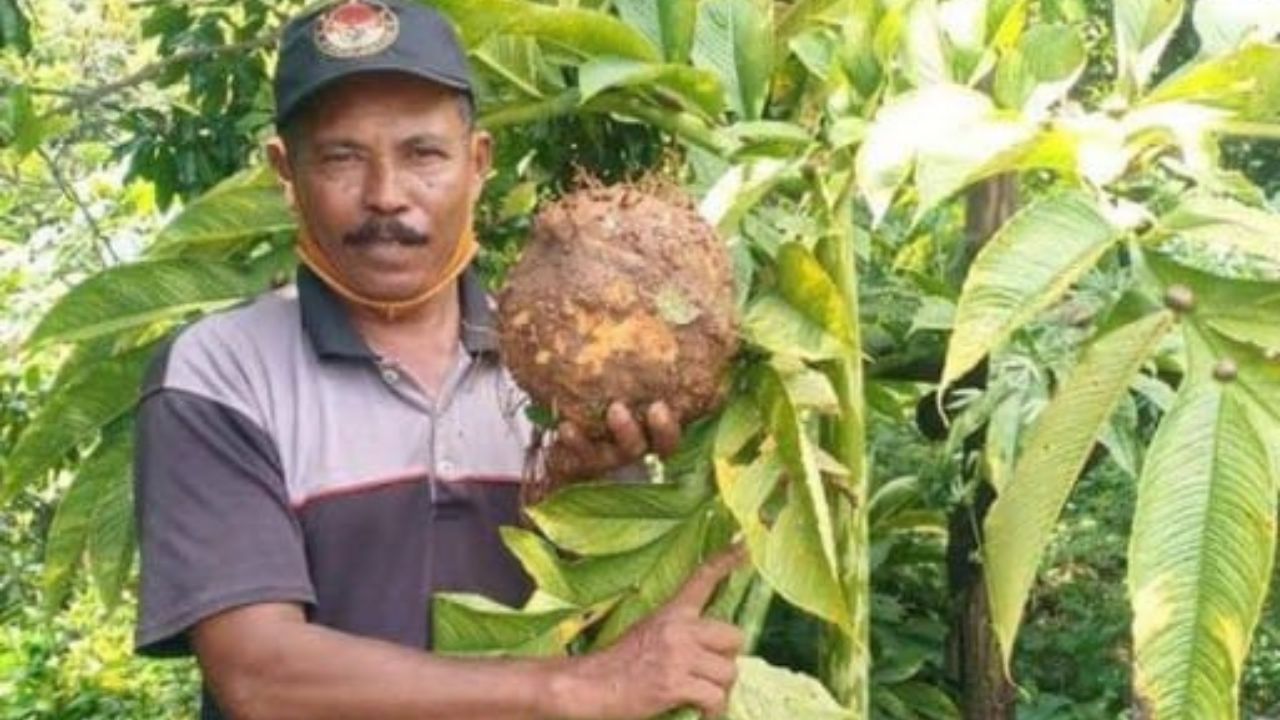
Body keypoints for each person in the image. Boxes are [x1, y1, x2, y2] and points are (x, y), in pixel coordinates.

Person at [132, 1, 745, 718]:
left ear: (478, 162)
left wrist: (588, 495)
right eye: (340, 157)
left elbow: (596, 623)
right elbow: (261, 676)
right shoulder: (220, 373)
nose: (386, 196)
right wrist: (575, 690)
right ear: (284, 171)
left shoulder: (565, 367)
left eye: (423, 153)